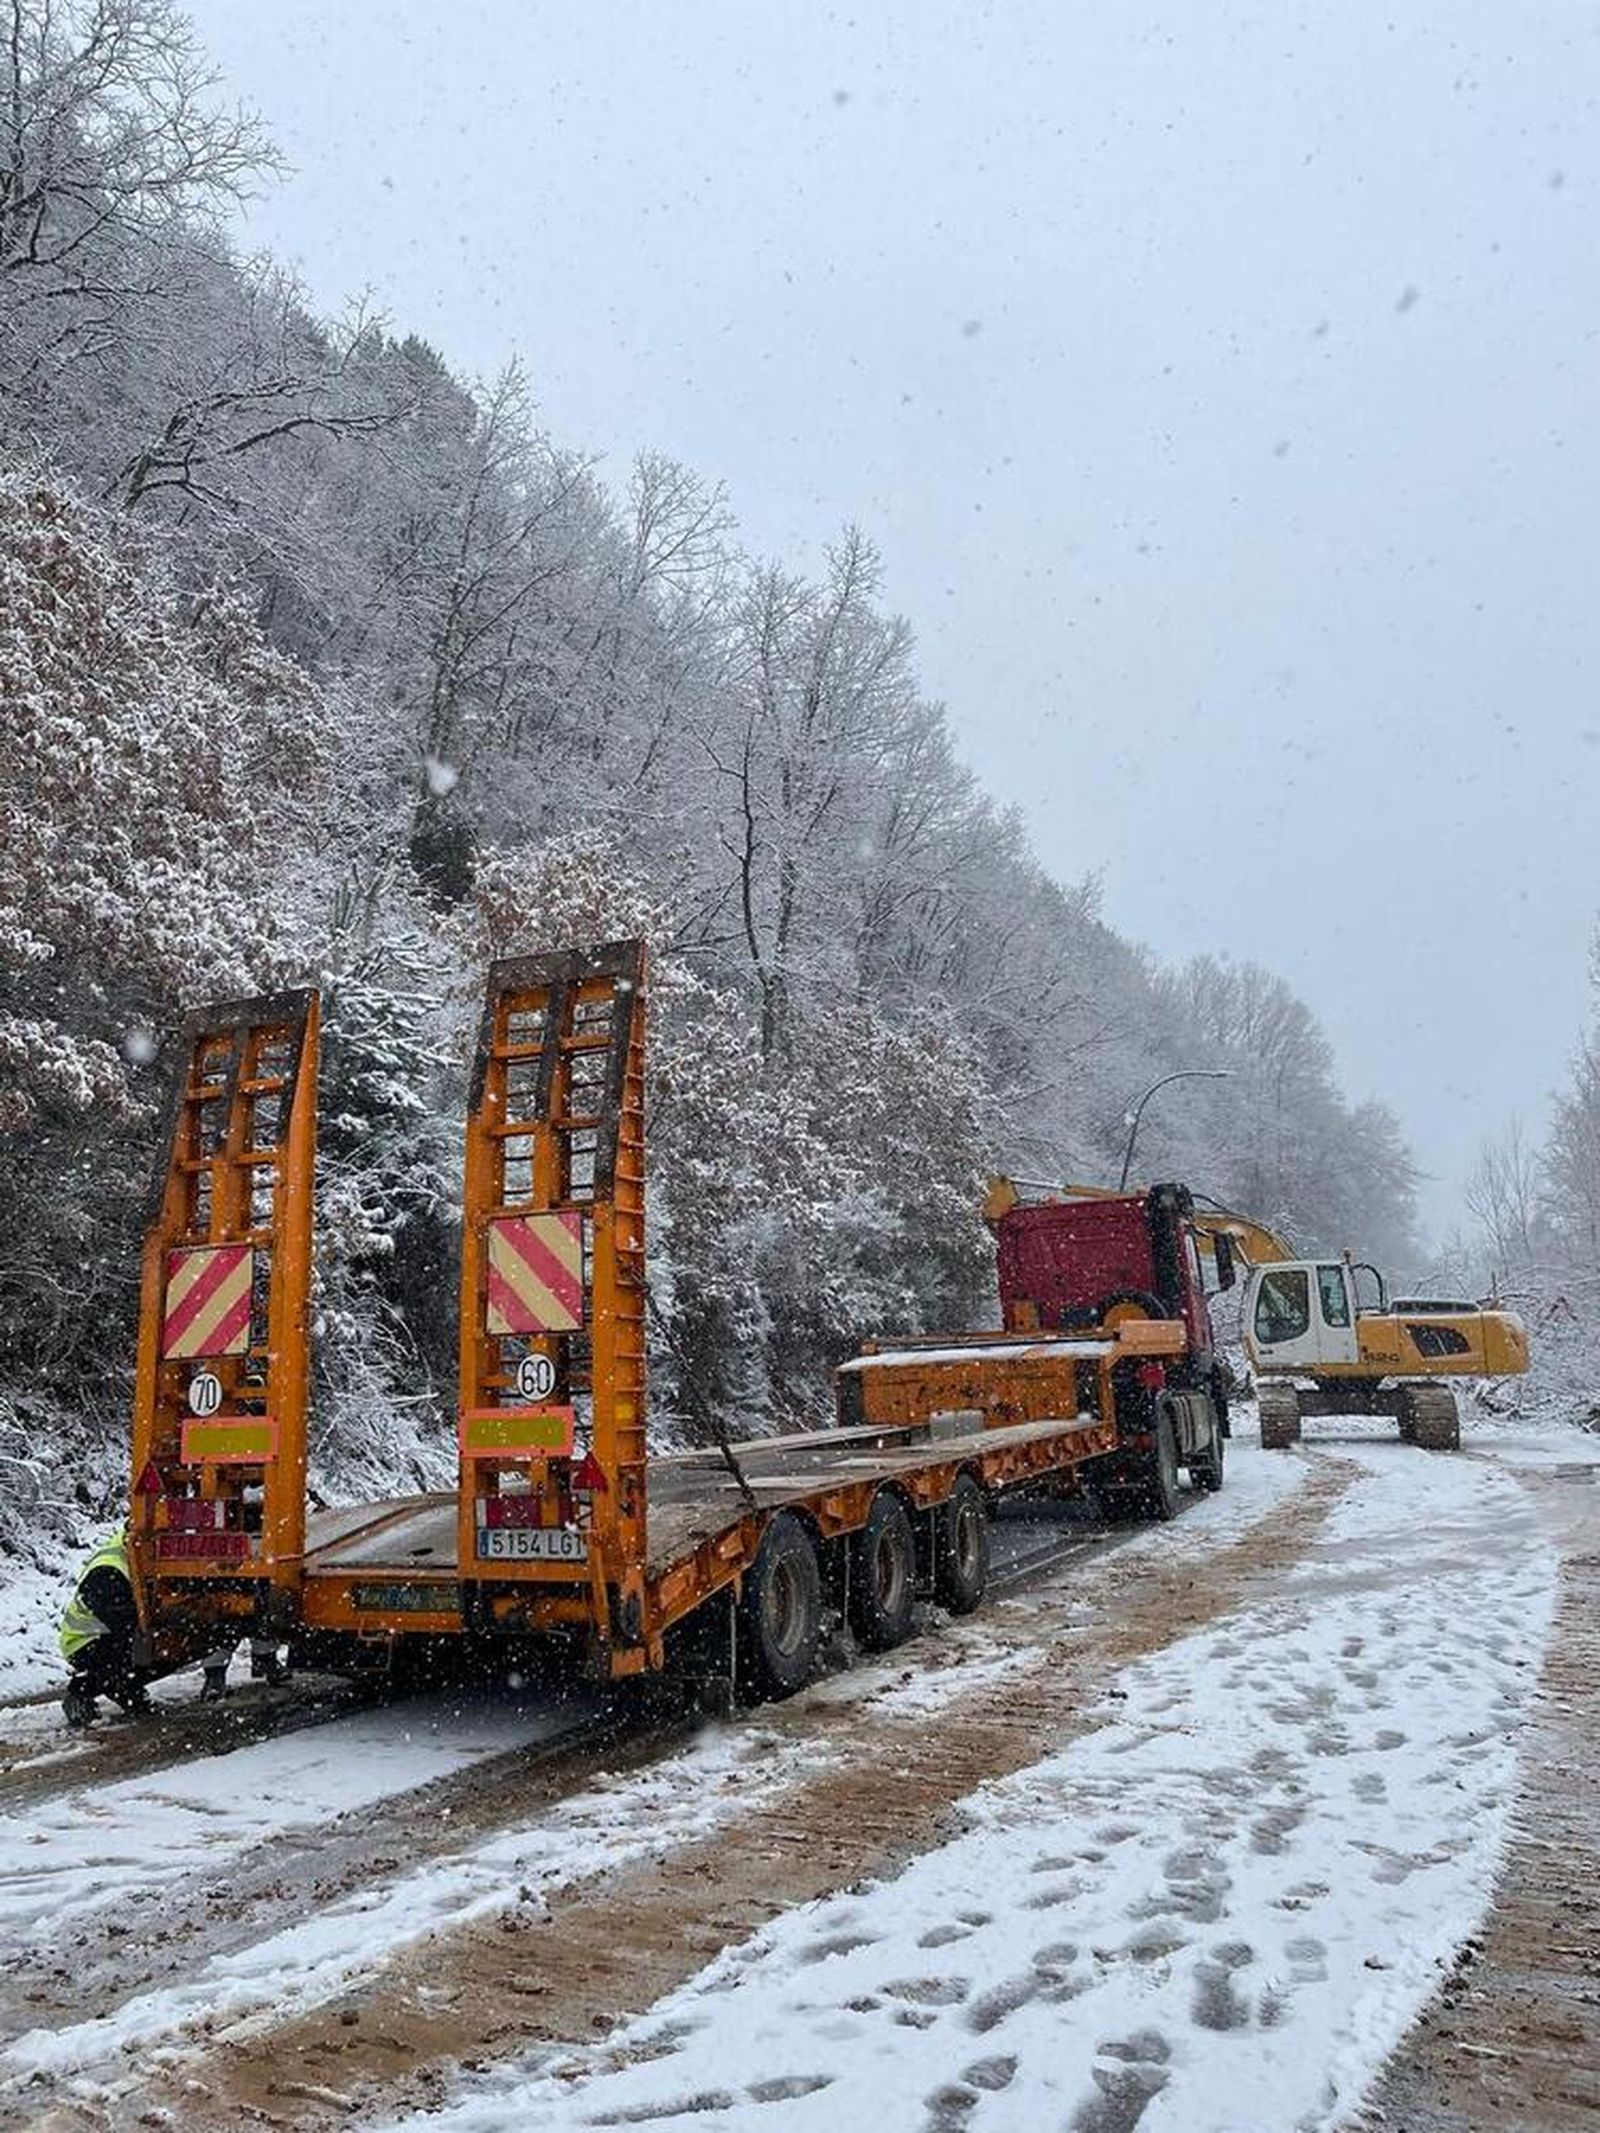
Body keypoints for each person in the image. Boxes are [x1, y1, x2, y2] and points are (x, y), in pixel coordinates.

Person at [59, 1525, 152, 1727]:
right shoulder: (108, 1569)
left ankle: (121, 1689)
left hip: (102, 1635)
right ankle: (80, 1694)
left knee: (137, 1655)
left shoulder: (129, 1556)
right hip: (84, 1641)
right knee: (120, 1663)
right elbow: (118, 1620)